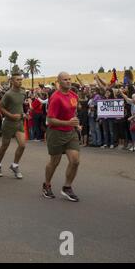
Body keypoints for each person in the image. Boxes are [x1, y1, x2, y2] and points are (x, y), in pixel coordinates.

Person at [43, 72, 81, 202]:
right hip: (56, 132)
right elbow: (50, 120)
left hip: (71, 132)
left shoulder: (74, 95)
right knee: (55, 162)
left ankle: (67, 187)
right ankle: (46, 185)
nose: (68, 81)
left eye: (70, 79)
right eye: (65, 80)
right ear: (59, 82)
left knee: (75, 160)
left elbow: (73, 112)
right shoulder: (56, 97)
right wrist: (68, 122)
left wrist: (76, 124)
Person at [0, 73, 27, 179]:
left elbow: (20, 106)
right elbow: (0, 108)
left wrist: (23, 114)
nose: (20, 81)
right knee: (4, 146)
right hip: (8, 123)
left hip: (19, 123)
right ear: (12, 81)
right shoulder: (8, 94)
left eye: (21, 80)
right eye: (18, 80)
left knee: (22, 145)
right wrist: (11, 115)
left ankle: (15, 165)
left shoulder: (23, 92)